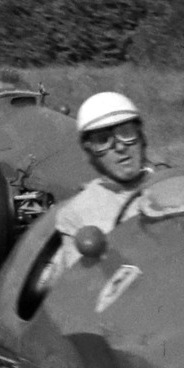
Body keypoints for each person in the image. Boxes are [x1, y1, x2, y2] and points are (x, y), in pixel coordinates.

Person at [40, 91, 153, 281]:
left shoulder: (174, 185)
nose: (120, 147)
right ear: (91, 151)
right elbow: (83, 285)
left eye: (126, 133)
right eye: (103, 140)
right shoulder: (76, 213)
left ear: (141, 137)